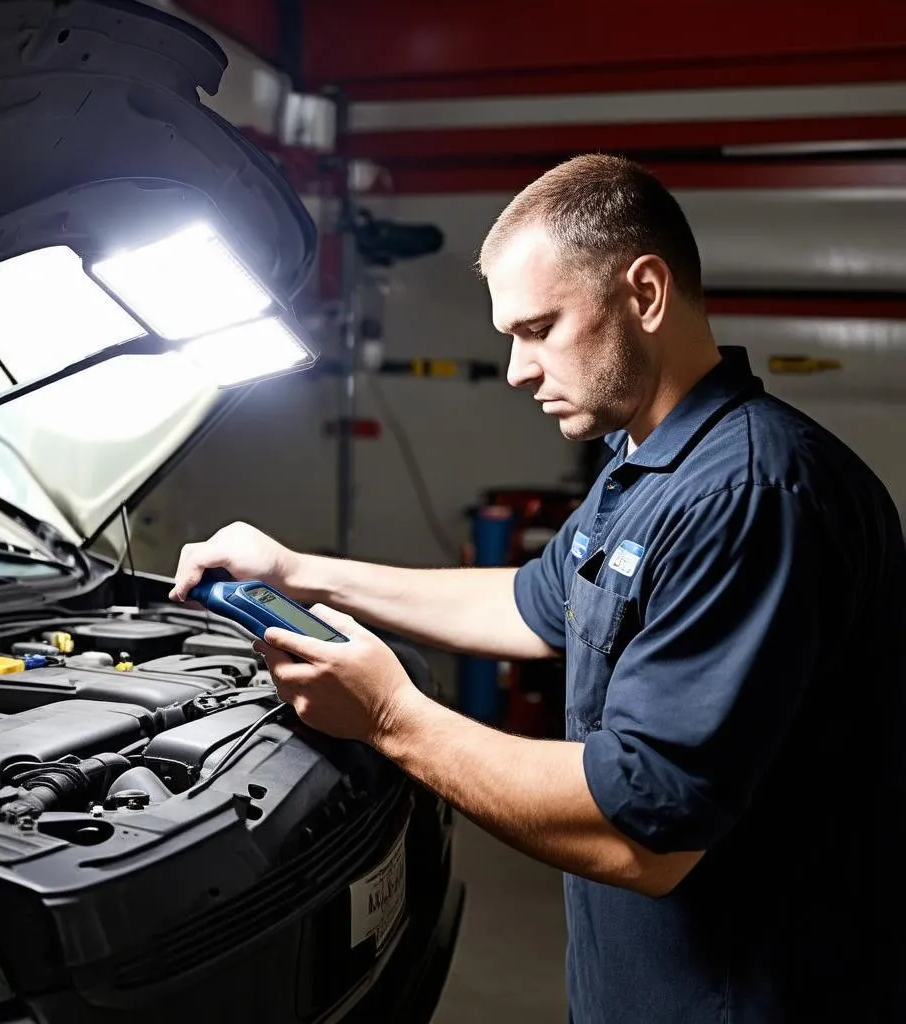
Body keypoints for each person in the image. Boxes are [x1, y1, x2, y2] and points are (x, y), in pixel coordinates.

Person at [170, 155, 906, 1023]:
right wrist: (299, 571)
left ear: (646, 293)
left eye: (540, 327)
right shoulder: (647, 460)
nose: (517, 368)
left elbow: (641, 833)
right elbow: (534, 602)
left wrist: (388, 718)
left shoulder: (748, 495)